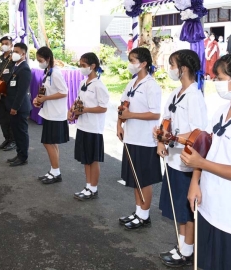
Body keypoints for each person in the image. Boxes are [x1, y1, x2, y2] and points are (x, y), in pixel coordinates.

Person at [181, 53, 231, 270]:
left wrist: (201, 164)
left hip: (230, 214)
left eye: (220, 78)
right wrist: (195, 182)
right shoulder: (221, 111)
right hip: (208, 204)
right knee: (207, 262)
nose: (215, 83)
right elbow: (207, 148)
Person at [155, 49, 208, 267]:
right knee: (177, 208)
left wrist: (173, 138)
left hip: (185, 162)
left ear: (183, 68)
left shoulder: (195, 97)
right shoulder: (176, 93)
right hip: (172, 159)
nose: (171, 69)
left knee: (186, 211)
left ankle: (187, 250)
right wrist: (161, 140)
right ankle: (181, 245)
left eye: (173, 65)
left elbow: (199, 132)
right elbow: (165, 120)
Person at [117, 47, 162, 229]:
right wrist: (119, 124)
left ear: (144, 64)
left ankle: (144, 215)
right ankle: (138, 212)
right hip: (131, 137)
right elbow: (122, 106)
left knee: (144, 179)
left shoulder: (152, 86)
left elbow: (155, 114)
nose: (130, 64)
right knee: (135, 178)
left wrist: (130, 116)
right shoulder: (132, 82)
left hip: (144, 139)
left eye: (133, 60)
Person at [69, 52, 109, 201]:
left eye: (84, 65)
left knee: (93, 159)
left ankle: (94, 188)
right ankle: (87, 186)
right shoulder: (83, 83)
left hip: (94, 128)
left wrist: (85, 110)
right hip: (83, 126)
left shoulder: (99, 86)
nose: (81, 68)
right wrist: (71, 110)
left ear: (93, 66)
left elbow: (103, 108)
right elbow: (78, 100)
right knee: (85, 159)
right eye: (80, 65)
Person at [33, 46, 69, 184]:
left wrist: (45, 99)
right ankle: (54, 171)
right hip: (49, 112)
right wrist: (39, 99)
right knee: (51, 143)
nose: (39, 63)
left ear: (48, 59)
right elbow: (46, 91)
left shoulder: (55, 73)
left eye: (40, 60)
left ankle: (56, 172)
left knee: (48, 143)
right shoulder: (48, 72)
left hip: (55, 114)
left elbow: (64, 92)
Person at [5, 43, 32, 167]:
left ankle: (23, 157)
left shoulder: (24, 68)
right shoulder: (15, 65)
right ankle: (19, 154)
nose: (13, 53)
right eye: (13, 51)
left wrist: (15, 107)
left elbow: (21, 91)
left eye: (16, 51)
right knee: (16, 132)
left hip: (20, 107)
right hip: (13, 105)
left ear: (23, 54)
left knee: (21, 132)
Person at [0, 36, 16, 152]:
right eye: (2, 43)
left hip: (10, 93)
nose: (4, 45)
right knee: (2, 118)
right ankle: (7, 139)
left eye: (6, 43)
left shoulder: (14, 58)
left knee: (10, 118)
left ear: (11, 45)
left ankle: (13, 141)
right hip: (1, 93)